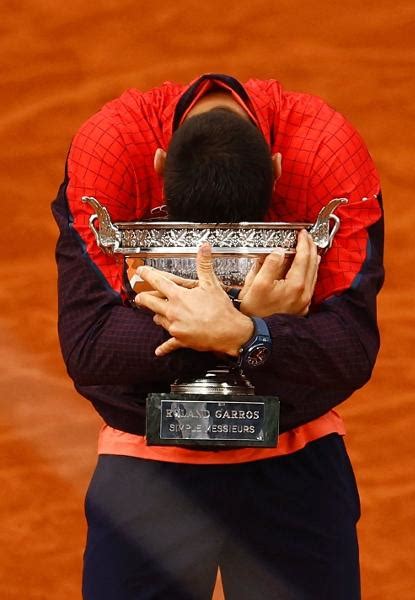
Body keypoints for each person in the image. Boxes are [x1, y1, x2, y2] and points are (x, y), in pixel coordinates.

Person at [51, 73, 384, 600]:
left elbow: (349, 350)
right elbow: (90, 346)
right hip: (148, 465)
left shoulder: (323, 150)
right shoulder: (112, 147)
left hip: (295, 463)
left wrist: (243, 334)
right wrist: (250, 333)